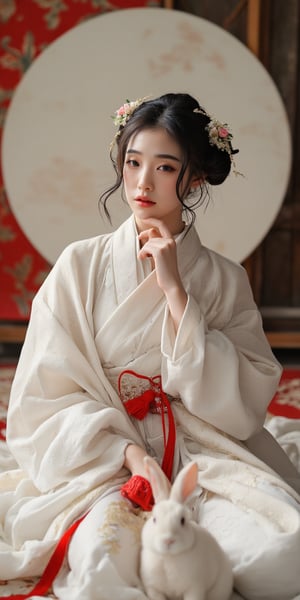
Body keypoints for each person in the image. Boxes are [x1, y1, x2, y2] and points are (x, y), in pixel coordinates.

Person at [0, 92, 300, 600]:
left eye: (164, 167)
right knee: (101, 566)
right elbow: (45, 393)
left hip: (205, 451)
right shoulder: (79, 267)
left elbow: (245, 404)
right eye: (133, 162)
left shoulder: (223, 279)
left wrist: (177, 294)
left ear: (196, 177)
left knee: (278, 555)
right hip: (102, 457)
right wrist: (130, 455)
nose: (142, 182)